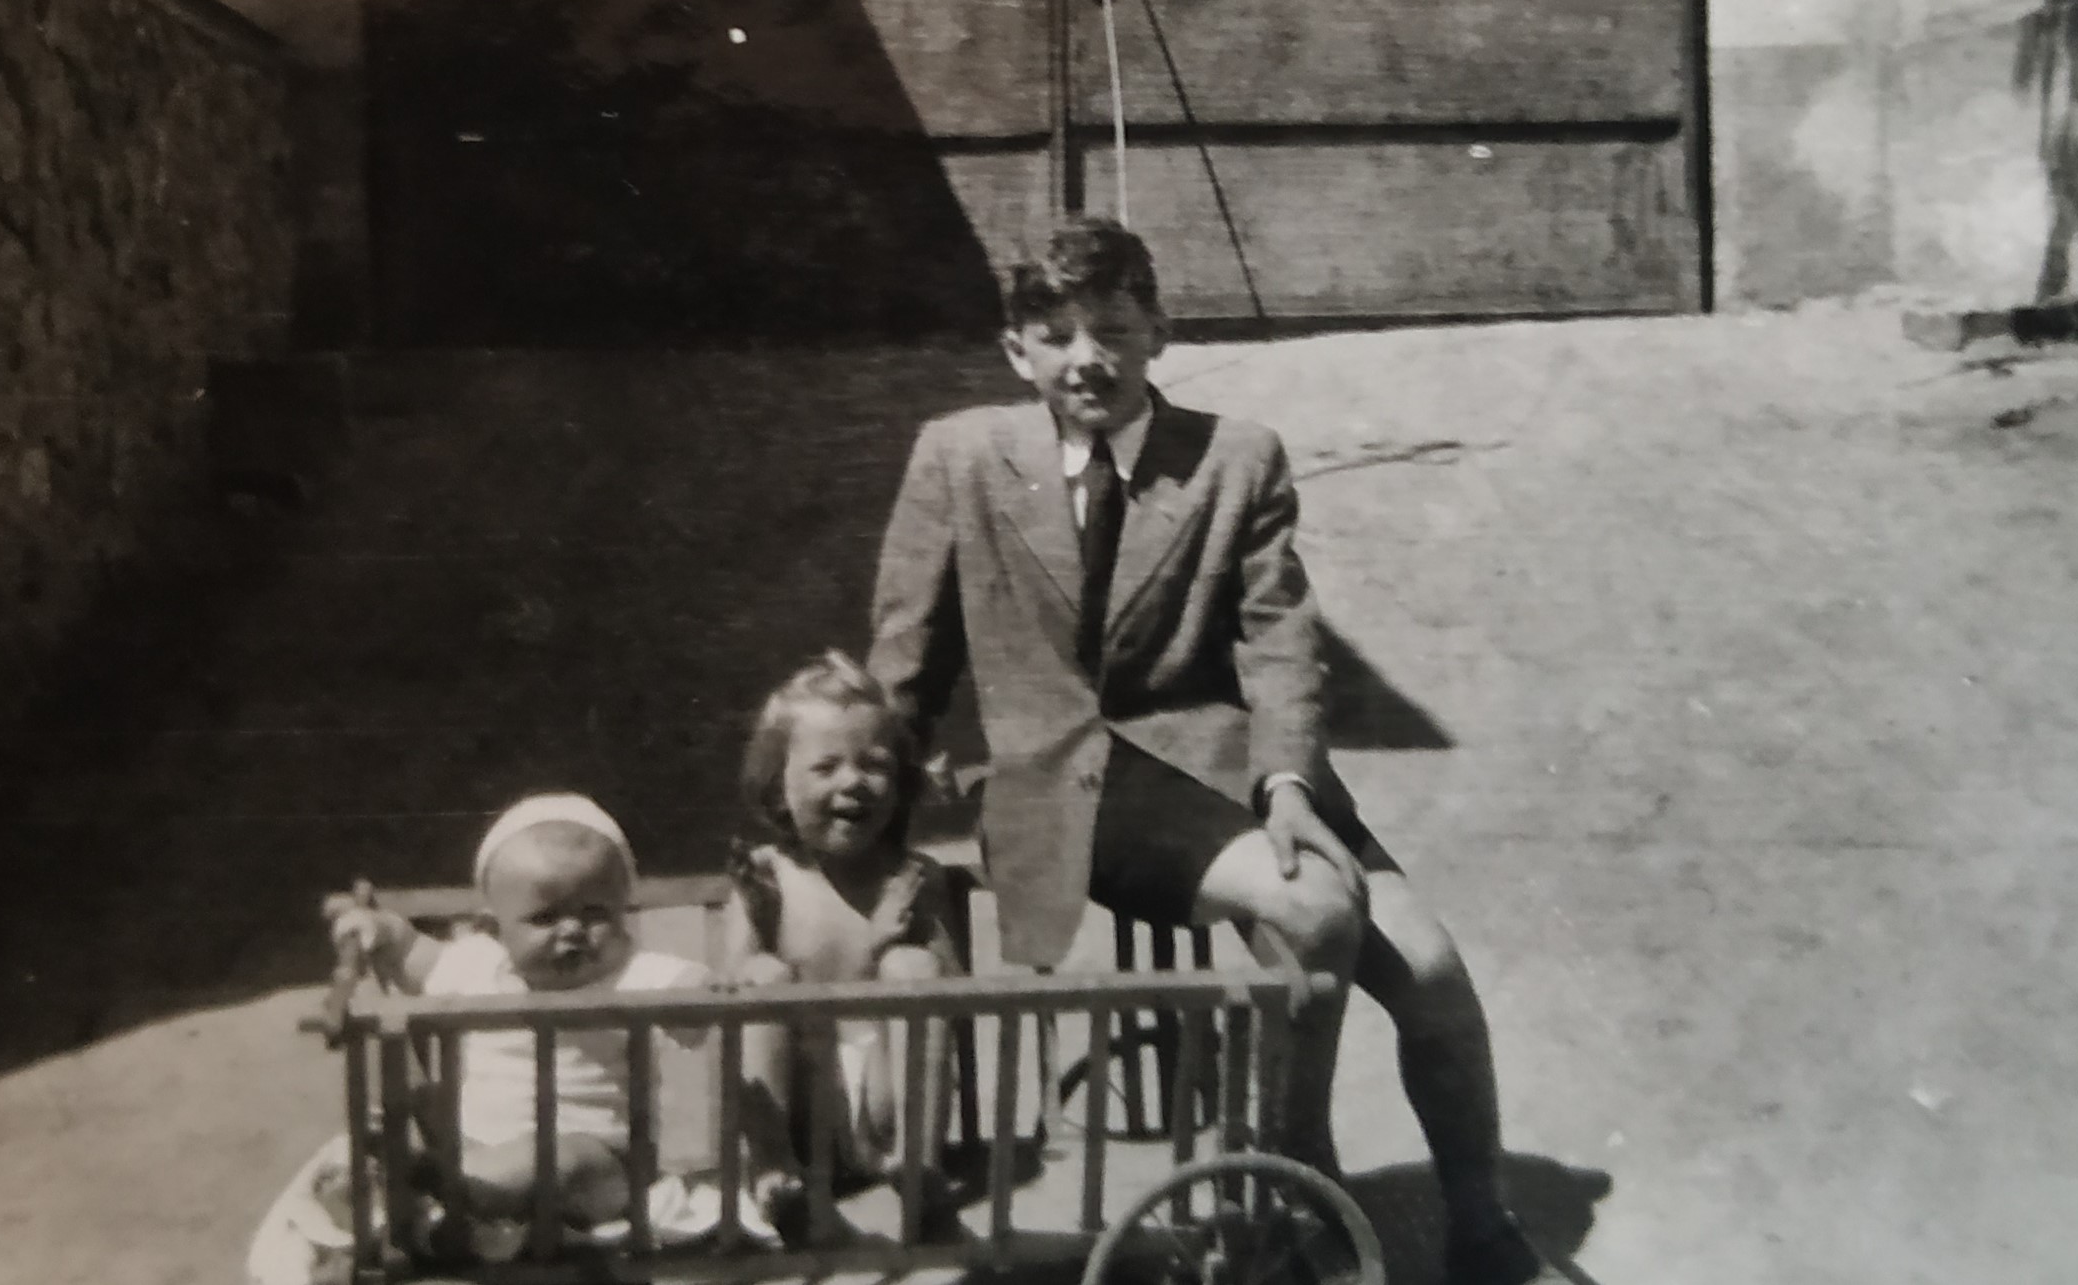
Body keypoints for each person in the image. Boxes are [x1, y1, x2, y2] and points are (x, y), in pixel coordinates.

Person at [866, 218, 1540, 1285]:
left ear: (1159, 334)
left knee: (1433, 972)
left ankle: (1481, 1222)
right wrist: (869, 825)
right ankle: (1288, 1183)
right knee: (1312, 908)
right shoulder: (959, 456)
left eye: (1112, 329)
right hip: (1066, 781)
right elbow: (905, 657)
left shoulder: (1236, 456)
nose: (1087, 357)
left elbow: (1280, 640)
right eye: (1057, 335)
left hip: (1232, 762)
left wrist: (1288, 782)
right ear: (1017, 351)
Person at [329, 794, 710, 1229]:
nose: (573, 929)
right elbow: (409, 950)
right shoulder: (476, 963)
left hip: (603, 1165)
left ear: (622, 914)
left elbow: (694, 998)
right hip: (477, 1148)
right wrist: (378, 928)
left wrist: (704, 993)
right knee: (425, 1102)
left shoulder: (634, 973)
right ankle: (444, 1182)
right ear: (494, 930)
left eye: (595, 913)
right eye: (546, 918)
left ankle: (453, 1189)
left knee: (561, 1160)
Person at [717, 653, 964, 1218]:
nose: (853, 781)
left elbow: (956, 999)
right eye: (825, 767)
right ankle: (772, 1168)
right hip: (801, 1106)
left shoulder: (912, 877)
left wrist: (889, 945)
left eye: (874, 764)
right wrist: (753, 937)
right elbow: (728, 1002)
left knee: (912, 967)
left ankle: (919, 1161)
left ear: (901, 781)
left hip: (886, 1104)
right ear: (778, 786)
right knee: (761, 975)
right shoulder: (768, 878)